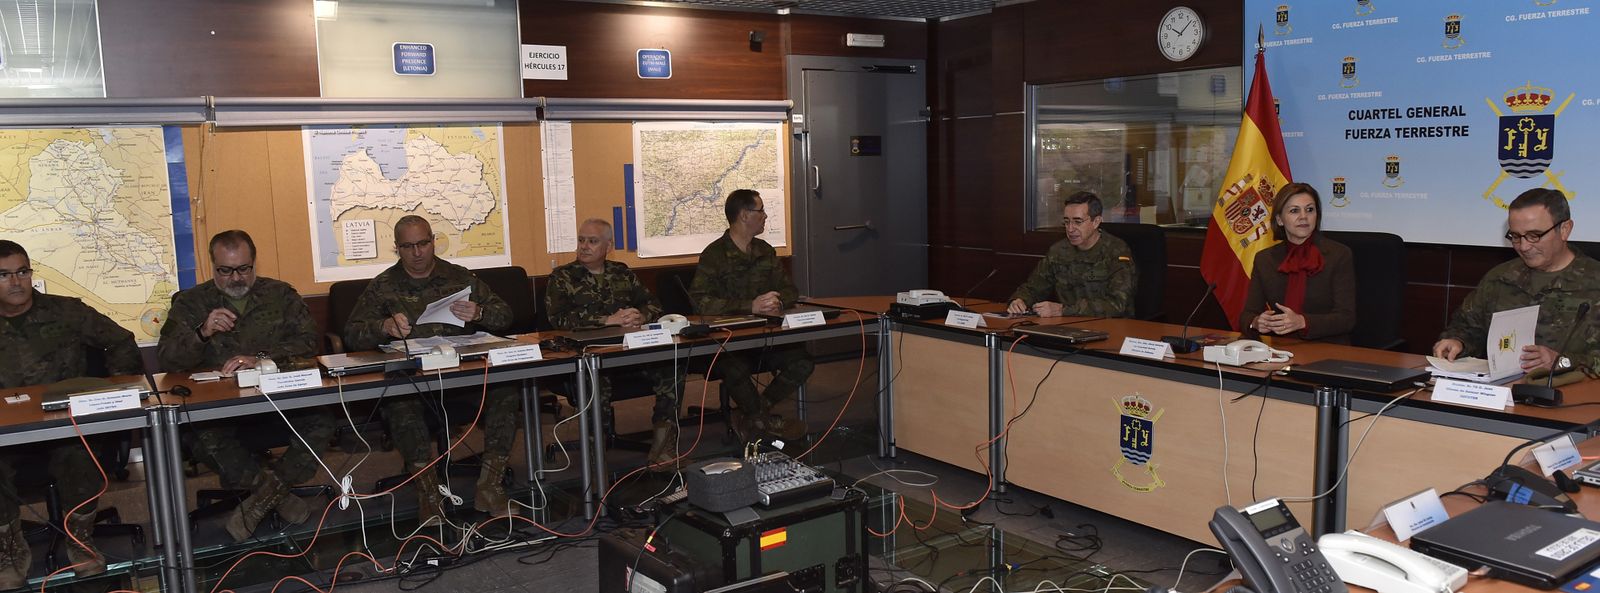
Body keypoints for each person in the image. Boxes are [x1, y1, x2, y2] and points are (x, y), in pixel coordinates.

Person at [158, 230, 335, 541]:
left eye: (244, 269)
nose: (236, 278)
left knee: (322, 421)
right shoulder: (191, 303)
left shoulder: (280, 295)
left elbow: (308, 342)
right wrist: (202, 333)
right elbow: (167, 359)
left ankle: (260, 502)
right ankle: (278, 496)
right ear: (212, 267)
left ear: (254, 263)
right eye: (225, 271)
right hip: (220, 410)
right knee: (204, 437)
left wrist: (261, 357)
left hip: (279, 402)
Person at [343, 216, 520, 519]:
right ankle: (429, 494)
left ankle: (490, 486)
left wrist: (479, 312)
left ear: (433, 240)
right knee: (401, 405)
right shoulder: (384, 286)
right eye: (408, 246)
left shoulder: (459, 277)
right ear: (397, 248)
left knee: (505, 391)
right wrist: (382, 326)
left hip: (462, 375)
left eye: (423, 243)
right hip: (414, 380)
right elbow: (351, 334)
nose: (418, 252)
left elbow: (505, 316)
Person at [0, 240, 140, 585]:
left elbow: (121, 340)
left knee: (79, 456)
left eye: (22, 272)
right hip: (7, 433)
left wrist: (110, 393)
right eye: (4, 275)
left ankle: (80, 539)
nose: (16, 282)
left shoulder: (66, 312)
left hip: (65, 424)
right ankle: (8, 548)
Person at [545, 219, 686, 469]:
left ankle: (663, 447)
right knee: (593, 382)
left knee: (671, 367)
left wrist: (641, 315)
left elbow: (653, 304)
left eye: (592, 241)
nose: (584, 246)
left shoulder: (622, 272)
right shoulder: (563, 276)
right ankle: (594, 460)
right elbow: (559, 319)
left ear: (608, 246)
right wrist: (607, 320)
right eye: (581, 240)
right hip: (592, 357)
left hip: (631, 352)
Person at [689, 189, 813, 441]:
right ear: (744, 215)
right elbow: (700, 302)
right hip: (729, 342)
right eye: (761, 211)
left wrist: (776, 300)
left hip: (766, 336)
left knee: (803, 361)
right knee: (734, 368)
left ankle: (756, 414)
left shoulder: (765, 251)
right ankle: (761, 419)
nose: (765, 216)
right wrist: (750, 306)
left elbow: (790, 290)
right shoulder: (714, 255)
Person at [1433, 188, 1600, 372]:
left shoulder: (1594, 282)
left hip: (1575, 394)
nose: (1524, 246)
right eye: (1515, 236)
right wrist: (1457, 342)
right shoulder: (1500, 278)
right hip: (1504, 393)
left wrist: (1562, 362)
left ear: (1564, 230)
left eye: (1534, 235)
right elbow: (1466, 326)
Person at [1238, 183, 1357, 343]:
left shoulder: (1339, 255)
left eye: (1310, 210)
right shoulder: (1264, 259)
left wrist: (1302, 322)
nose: (1303, 217)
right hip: (1279, 349)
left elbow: (1346, 319)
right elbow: (1247, 314)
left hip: (1328, 350)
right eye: (1294, 211)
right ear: (1280, 219)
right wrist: (1257, 322)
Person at [1007, 191, 1137, 318]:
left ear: (1096, 222)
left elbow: (1118, 304)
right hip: (1068, 327)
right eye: (1066, 222)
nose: (1070, 229)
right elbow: (1034, 288)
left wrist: (1063, 311)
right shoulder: (1058, 251)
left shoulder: (1116, 251)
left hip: (1111, 328)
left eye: (1078, 222)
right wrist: (1019, 300)